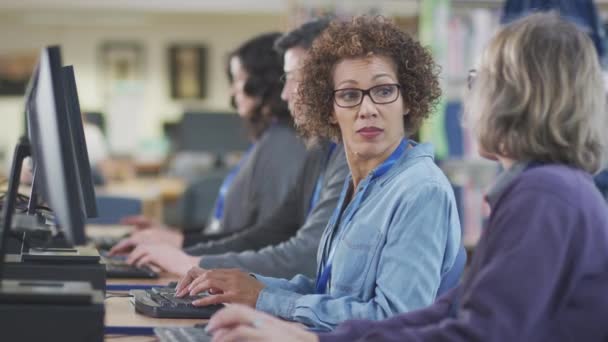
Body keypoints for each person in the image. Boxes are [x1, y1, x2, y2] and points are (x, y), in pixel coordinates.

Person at [204, 13, 608, 342]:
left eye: (479, 81)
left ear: (518, 99)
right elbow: (446, 311)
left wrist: (291, 324)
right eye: (348, 95)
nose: (471, 97)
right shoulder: (548, 189)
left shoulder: (544, 195)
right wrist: (294, 323)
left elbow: (478, 334)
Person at [175, 16, 461, 331]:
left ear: (407, 100)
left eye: (383, 91)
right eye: (350, 95)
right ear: (329, 109)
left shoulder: (420, 190)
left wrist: (264, 299)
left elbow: (394, 319)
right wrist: (245, 284)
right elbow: (328, 292)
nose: (367, 109)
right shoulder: (364, 185)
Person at [109, 32, 312, 276]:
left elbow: (266, 240)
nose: (231, 92)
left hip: (234, 280)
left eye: (238, 80)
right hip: (219, 271)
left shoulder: (283, 147)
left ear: (262, 83)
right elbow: (241, 231)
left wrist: (185, 250)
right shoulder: (269, 142)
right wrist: (177, 239)